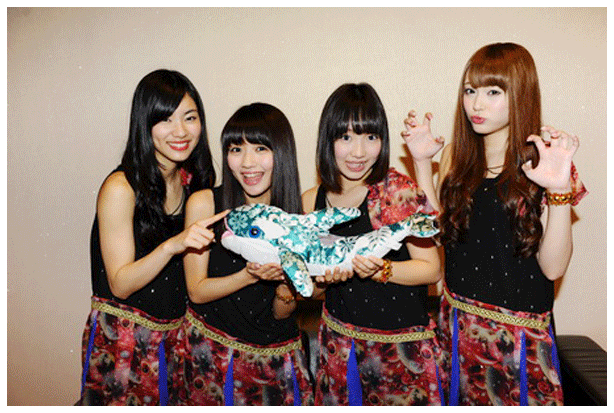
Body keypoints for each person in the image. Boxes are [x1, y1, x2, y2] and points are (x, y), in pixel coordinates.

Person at [402, 42, 588, 406]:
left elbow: (553, 269)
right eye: (470, 91)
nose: (476, 104)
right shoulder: (456, 154)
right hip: (458, 325)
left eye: (492, 92)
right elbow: (438, 234)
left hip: (519, 337)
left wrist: (559, 190)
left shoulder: (546, 159)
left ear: (520, 94)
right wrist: (422, 163)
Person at [79, 69, 224, 405]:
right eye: (165, 120)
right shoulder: (121, 187)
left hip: (176, 340)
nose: (180, 131)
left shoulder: (193, 182)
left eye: (190, 118)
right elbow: (120, 284)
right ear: (144, 124)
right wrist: (173, 245)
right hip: (124, 343)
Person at [302, 83, 445, 406]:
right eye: (346, 137)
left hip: (402, 353)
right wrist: (324, 281)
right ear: (328, 140)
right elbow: (310, 287)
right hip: (340, 351)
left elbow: (431, 269)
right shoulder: (311, 201)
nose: (359, 152)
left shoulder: (397, 192)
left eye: (370, 137)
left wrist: (382, 270)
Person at [178, 102, 314, 406]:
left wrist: (286, 288)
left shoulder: (295, 220)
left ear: (281, 153)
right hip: (212, 358)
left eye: (261, 149)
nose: (248, 162)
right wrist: (247, 276)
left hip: (275, 362)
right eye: (236, 149)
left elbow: (281, 313)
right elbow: (196, 290)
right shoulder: (206, 204)